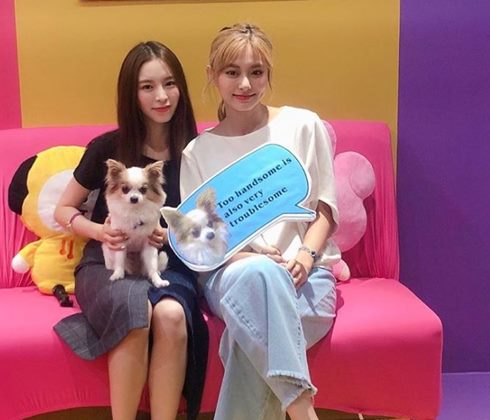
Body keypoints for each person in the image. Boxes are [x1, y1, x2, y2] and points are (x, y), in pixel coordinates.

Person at [180, 23, 339, 420]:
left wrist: (305, 256)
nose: (245, 84)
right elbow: (201, 246)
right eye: (232, 72)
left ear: (269, 74)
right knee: (259, 273)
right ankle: (303, 412)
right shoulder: (197, 153)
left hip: (306, 278)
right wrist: (249, 258)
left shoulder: (303, 125)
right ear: (213, 75)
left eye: (256, 72)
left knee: (245, 338)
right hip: (231, 274)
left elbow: (326, 208)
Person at [53, 41, 208, 420]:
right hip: (108, 261)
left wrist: (170, 236)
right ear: (131, 94)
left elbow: (207, 224)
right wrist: (98, 231)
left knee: (171, 316)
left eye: (169, 84)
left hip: (167, 262)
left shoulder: (198, 151)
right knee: (135, 310)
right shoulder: (108, 148)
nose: (161, 96)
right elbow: (63, 209)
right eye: (147, 87)